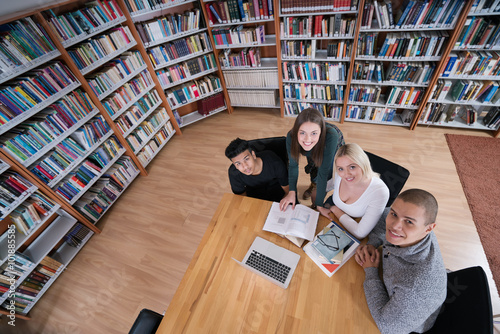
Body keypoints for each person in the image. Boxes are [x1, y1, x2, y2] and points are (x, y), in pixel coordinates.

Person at [355, 189, 447, 334]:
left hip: (399, 322)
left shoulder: (416, 286)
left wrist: (371, 271)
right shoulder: (419, 230)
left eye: (409, 222)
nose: (394, 226)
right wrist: (372, 243)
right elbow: (385, 213)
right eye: (395, 214)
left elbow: (386, 326)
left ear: (429, 228)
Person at [279, 108, 344, 216]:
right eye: (302, 133)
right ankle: (314, 184)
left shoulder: (331, 136)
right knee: (313, 168)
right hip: (313, 150)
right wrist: (291, 192)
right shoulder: (291, 136)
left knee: (323, 183)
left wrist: (319, 204)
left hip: (330, 149)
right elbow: (293, 166)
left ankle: (319, 194)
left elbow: (324, 171)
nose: (307, 139)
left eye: (314, 133)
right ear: (296, 131)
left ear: (321, 132)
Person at [325, 143, 389, 239]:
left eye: (352, 167)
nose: (346, 174)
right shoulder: (339, 174)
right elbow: (326, 187)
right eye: (341, 169)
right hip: (334, 219)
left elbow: (360, 233)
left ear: (363, 163)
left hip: (353, 224)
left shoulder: (379, 191)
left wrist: (335, 210)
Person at [225, 138, 289, 202]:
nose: (245, 167)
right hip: (254, 198)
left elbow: (288, 191)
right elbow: (242, 199)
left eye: (246, 159)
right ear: (234, 165)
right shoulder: (234, 173)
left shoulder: (274, 162)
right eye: (238, 163)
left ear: (253, 155)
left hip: (278, 192)